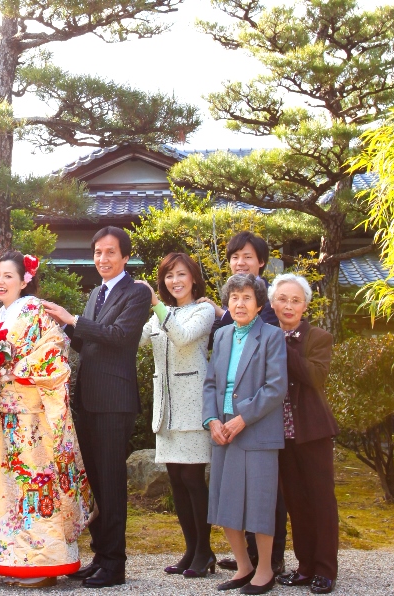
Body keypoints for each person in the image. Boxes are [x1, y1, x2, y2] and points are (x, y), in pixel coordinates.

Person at [42, 226, 153, 588]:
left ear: (124, 256)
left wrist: (74, 320)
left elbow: (120, 337)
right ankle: (100, 555)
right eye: (98, 253)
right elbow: (85, 343)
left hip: (113, 402)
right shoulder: (96, 294)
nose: (102, 259)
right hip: (88, 400)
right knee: (93, 484)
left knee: (111, 483)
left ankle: (114, 564)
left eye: (110, 253)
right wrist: (57, 332)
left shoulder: (137, 292)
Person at [0, 252, 93, 588]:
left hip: (34, 416)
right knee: (11, 490)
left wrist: (10, 369)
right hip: (10, 416)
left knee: (38, 486)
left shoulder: (34, 310)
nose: (0, 281)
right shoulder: (0, 313)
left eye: (8, 276)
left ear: (25, 280)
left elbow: (55, 352)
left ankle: (46, 563)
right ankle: (16, 561)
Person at [199, 231, 286, 574]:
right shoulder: (221, 335)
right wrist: (212, 421)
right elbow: (210, 383)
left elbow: (276, 387)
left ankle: (266, 568)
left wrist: (241, 418)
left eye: (246, 298)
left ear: (260, 304)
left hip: (256, 429)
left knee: (260, 505)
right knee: (226, 503)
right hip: (223, 430)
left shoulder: (272, 335)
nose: (239, 304)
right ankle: (244, 567)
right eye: (234, 297)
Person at [136, 253, 216, 578]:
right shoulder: (158, 316)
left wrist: (156, 305)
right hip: (165, 411)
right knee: (176, 482)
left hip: (194, 407)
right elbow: (135, 341)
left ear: (193, 278)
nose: (175, 281)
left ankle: (205, 551)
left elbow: (182, 337)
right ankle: (190, 550)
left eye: (181, 274)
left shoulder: (205, 310)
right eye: (169, 276)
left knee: (193, 480)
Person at [269, 274, 339, 595]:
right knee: (295, 502)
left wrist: (283, 345)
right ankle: (305, 566)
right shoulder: (266, 338)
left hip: (312, 431)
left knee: (321, 501)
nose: (288, 305)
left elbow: (314, 376)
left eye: (296, 300)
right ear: (272, 303)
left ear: (305, 305)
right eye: (282, 299)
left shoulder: (318, 337)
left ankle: (325, 570)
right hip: (279, 434)